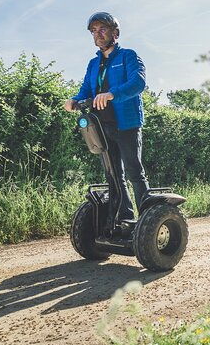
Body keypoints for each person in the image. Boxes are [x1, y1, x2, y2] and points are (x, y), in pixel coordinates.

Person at [63, 12, 148, 223]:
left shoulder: (128, 56)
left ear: (115, 33)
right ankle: (124, 218)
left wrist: (112, 94)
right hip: (101, 125)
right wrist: (74, 100)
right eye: (94, 31)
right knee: (113, 175)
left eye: (102, 29)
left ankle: (148, 219)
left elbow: (138, 83)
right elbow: (85, 90)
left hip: (126, 124)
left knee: (134, 172)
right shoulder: (93, 64)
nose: (97, 34)